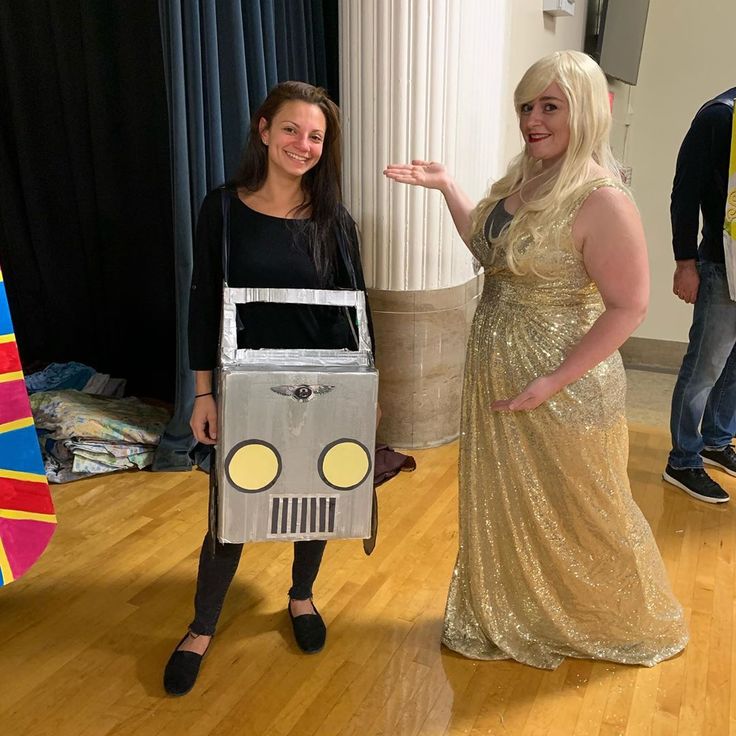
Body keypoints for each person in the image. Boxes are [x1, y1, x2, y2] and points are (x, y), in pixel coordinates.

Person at [384, 50, 688, 669]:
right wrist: (447, 186)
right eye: (526, 106)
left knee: (582, 509)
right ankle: (520, 610)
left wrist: (551, 380)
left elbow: (629, 306)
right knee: (512, 503)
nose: (533, 119)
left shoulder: (602, 198)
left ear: (584, 112)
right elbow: (488, 246)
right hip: (500, 372)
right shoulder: (525, 178)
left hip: (567, 383)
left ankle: (610, 620)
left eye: (550, 106)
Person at [164, 81, 373, 696]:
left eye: (315, 136)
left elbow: (358, 309)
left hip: (325, 381)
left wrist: (368, 393)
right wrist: (203, 392)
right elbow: (204, 300)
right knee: (233, 505)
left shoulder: (336, 222)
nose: (302, 145)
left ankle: (302, 596)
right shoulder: (222, 208)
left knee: (317, 492)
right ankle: (203, 626)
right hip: (245, 383)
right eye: (290, 129)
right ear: (262, 129)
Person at [662, 86, 736, 504]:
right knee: (705, 367)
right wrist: (685, 262)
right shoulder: (718, 118)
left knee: (735, 365)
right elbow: (685, 194)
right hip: (720, 266)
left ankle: (715, 440)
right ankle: (684, 459)